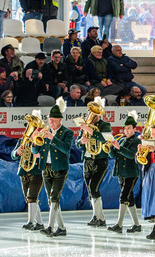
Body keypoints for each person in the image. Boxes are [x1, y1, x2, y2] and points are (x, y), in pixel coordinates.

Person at [34, 98, 73, 237]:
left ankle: (50, 227)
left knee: (54, 197)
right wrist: (34, 142)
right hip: (46, 168)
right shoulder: (44, 131)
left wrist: (53, 138)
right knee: (51, 199)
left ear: (60, 120)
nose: (50, 122)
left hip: (60, 169)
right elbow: (35, 151)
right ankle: (61, 228)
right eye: (49, 119)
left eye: (53, 120)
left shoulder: (67, 132)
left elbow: (66, 149)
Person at [76, 97, 110, 228]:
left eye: (94, 114)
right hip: (87, 160)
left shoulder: (105, 125)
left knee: (94, 187)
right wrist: (81, 142)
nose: (91, 116)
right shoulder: (85, 125)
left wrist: (89, 130)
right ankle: (100, 218)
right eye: (90, 113)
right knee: (91, 190)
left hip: (100, 160)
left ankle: (96, 217)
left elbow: (104, 139)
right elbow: (77, 143)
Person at [107, 111, 141, 233]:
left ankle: (119, 224)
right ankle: (137, 224)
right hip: (122, 172)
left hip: (131, 173)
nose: (126, 131)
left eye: (128, 128)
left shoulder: (136, 141)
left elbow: (132, 155)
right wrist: (110, 147)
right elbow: (114, 155)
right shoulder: (121, 140)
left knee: (123, 197)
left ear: (134, 129)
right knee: (129, 198)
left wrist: (119, 147)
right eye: (125, 129)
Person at [11, 109, 45, 232]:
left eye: (34, 129)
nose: (30, 131)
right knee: (30, 199)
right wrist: (17, 152)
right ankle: (40, 223)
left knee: (32, 197)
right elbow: (13, 155)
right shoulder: (22, 141)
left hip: (36, 172)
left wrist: (39, 154)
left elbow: (46, 155)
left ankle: (30, 222)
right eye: (29, 128)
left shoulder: (41, 141)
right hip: (24, 171)